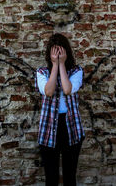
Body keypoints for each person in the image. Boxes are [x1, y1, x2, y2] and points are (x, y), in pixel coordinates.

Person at [35, 33, 85, 186]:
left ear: (66, 52)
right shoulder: (42, 72)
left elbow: (67, 89)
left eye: (60, 52)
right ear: (49, 53)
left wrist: (62, 65)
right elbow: (49, 92)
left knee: (70, 177)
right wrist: (55, 66)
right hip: (49, 128)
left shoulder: (76, 71)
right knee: (51, 178)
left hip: (71, 127)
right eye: (54, 52)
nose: (57, 55)